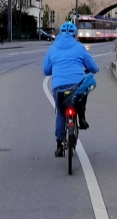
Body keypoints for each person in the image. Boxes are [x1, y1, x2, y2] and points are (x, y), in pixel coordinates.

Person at [42, 22, 99, 156]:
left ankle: (59, 144)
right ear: (75, 35)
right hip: (76, 84)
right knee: (83, 90)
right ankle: (82, 118)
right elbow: (92, 67)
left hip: (59, 86)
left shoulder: (53, 48)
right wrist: (92, 69)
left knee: (61, 113)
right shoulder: (79, 47)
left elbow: (45, 70)